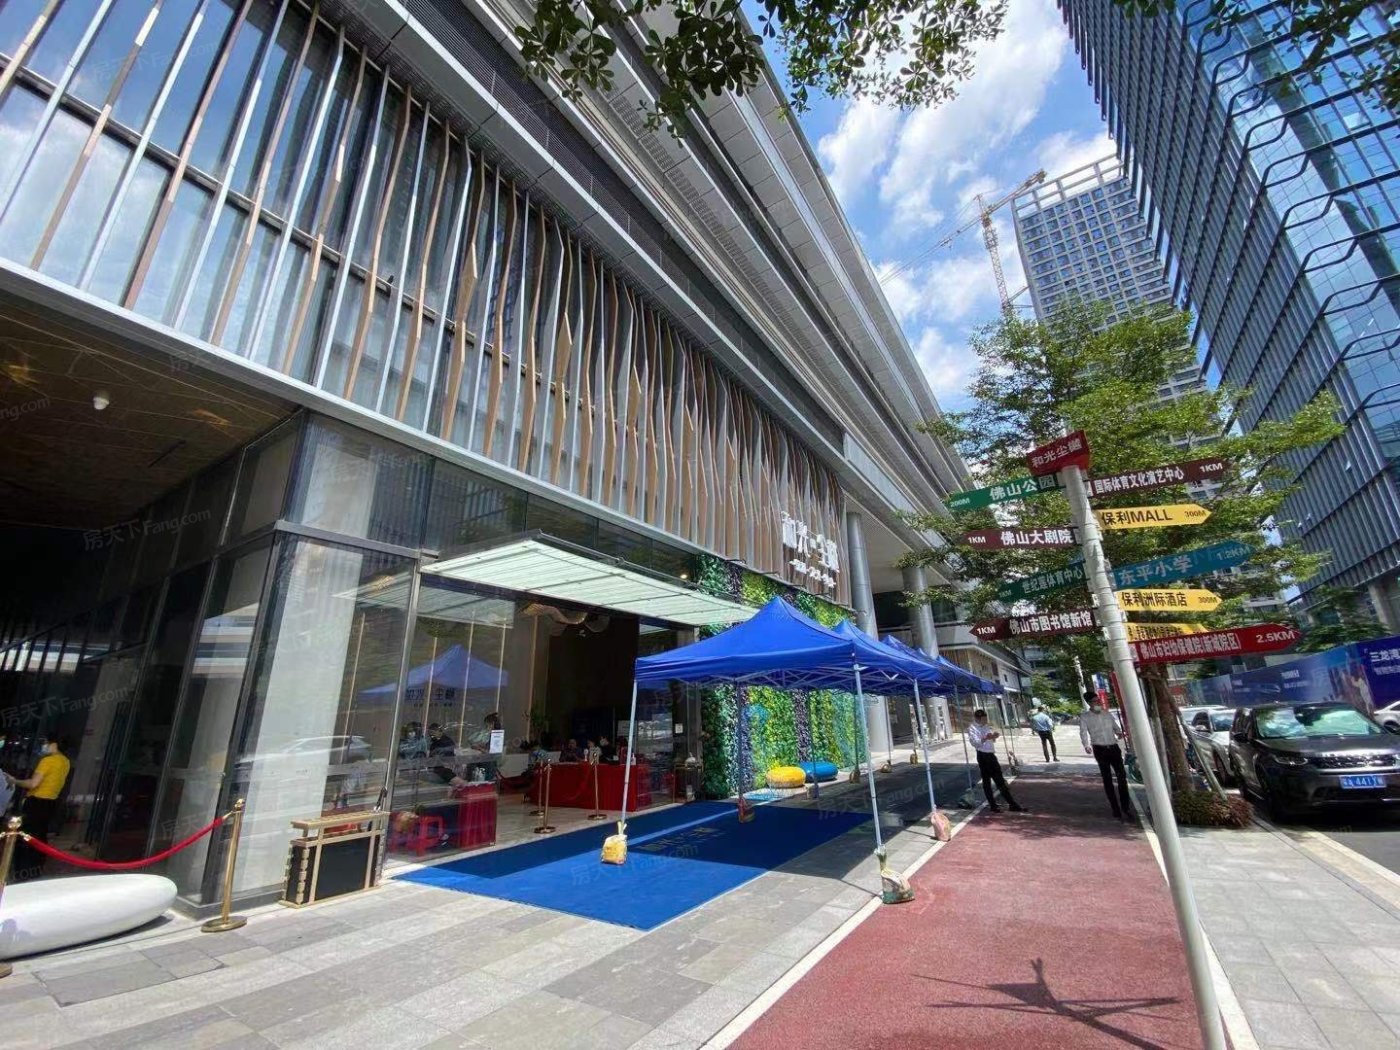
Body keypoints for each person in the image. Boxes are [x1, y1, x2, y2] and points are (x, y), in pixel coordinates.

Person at [4, 736, 72, 879]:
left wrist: (14, 780)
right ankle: (35, 870)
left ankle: (21, 872)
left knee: (25, 838)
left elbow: (33, 784)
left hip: (36, 802)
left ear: (54, 744)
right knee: (40, 838)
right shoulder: (65, 762)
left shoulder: (47, 761)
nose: (44, 746)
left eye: (46, 743)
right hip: (51, 803)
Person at [1080, 690, 1134, 820]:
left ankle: (1125, 807)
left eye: (1098, 700)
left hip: (1113, 747)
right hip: (1100, 749)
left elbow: (1116, 728)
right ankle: (1115, 809)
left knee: (1122, 777)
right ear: (1089, 703)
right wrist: (1086, 745)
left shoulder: (1107, 714)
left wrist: (1119, 733)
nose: (1097, 703)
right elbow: (1083, 732)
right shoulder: (1085, 717)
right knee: (1107, 779)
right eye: (1094, 701)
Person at [966, 711, 1024, 813]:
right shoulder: (972, 728)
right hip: (983, 755)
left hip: (991, 754)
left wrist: (993, 736)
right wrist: (985, 738)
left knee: (998, 779)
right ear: (977, 718)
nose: (985, 721)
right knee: (990, 780)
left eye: (986, 719)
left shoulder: (985, 726)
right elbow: (975, 743)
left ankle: (1010, 804)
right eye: (984, 719)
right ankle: (996, 805)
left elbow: (991, 740)